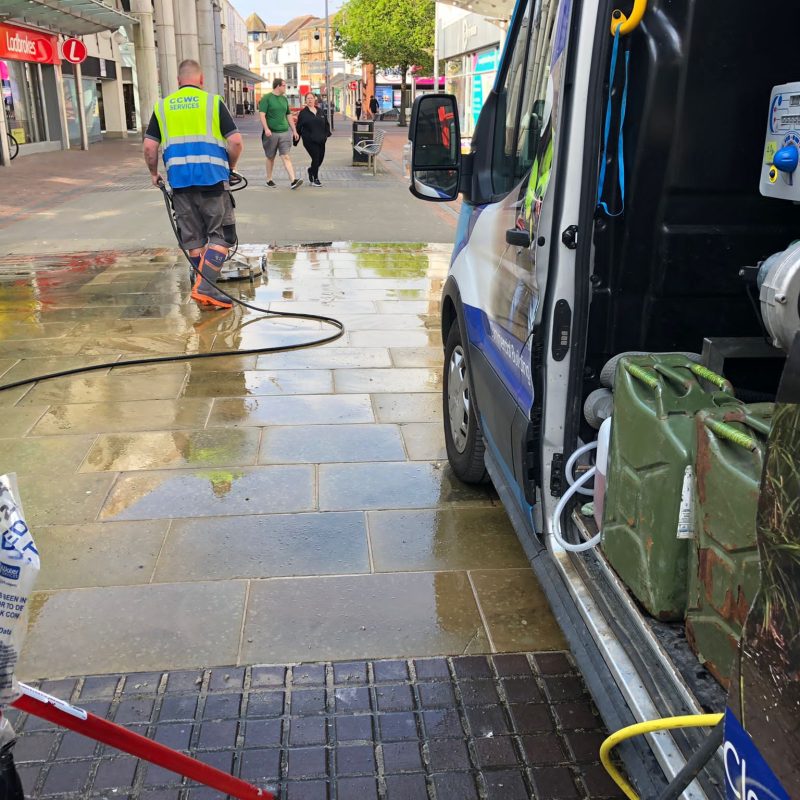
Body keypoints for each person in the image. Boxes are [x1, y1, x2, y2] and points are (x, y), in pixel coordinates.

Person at [143, 59, 243, 310]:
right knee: (223, 235)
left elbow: (149, 147)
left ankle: (201, 286)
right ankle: (206, 288)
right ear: (201, 80)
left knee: (194, 239)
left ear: (178, 81)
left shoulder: (162, 107)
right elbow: (236, 142)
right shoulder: (212, 103)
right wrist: (230, 168)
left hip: (180, 184)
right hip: (212, 180)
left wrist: (154, 173)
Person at [258, 78, 302, 189]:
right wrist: (266, 129)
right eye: (284, 85)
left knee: (286, 156)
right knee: (270, 157)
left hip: (284, 132)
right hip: (271, 133)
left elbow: (288, 115)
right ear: (278, 86)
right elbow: (262, 115)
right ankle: (269, 179)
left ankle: (293, 180)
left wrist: (294, 130)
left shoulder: (284, 99)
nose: (285, 87)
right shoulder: (267, 98)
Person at [296, 92, 331, 187]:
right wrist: (296, 139)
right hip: (309, 140)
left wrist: (326, 134)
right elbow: (298, 127)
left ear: (315, 99)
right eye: (308, 98)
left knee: (320, 158)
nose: (310, 100)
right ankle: (315, 178)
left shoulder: (320, 111)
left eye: (311, 98)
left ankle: (311, 170)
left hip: (321, 139)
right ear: (306, 100)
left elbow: (326, 123)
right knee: (315, 157)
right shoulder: (303, 113)